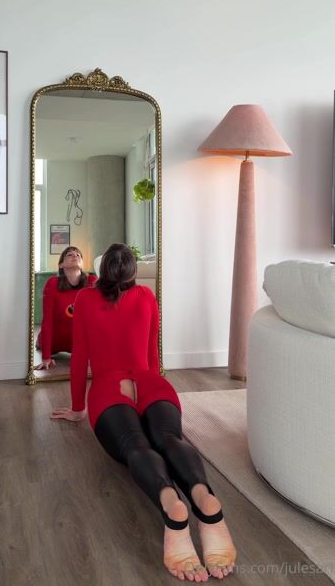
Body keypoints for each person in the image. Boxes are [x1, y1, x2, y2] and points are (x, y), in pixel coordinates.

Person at [51, 243, 236, 581]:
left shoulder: (85, 299)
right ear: (132, 272)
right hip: (152, 385)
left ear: (103, 270)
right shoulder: (147, 297)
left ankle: (170, 503)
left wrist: (78, 408)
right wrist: (146, 388)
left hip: (109, 389)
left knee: (136, 445)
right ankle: (202, 496)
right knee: (169, 438)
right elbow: (152, 356)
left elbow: (79, 361)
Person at [34, 246, 96, 370]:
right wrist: (46, 358)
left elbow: (97, 319)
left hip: (78, 342)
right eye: (69, 255)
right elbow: (47, 320)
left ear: (82, 264)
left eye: (78, 255)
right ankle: (39, 342)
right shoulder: (52, 284)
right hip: (55, 341)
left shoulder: (92, 282)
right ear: (61, 265)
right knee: (41, 342)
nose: (75, 256)